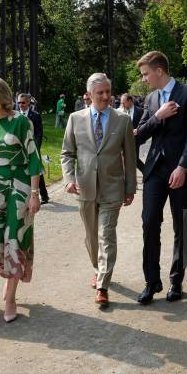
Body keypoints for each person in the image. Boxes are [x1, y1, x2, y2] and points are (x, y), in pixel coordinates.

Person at [135, 51, 187, 304]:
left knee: (181, 226)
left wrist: (183, 167)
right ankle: (151, 281)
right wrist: (158, 116)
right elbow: (139, 135)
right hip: (155, 171)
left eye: (145, 74)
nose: (144, 79)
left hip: (182, 172)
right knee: (149, 223)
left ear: (159, 71)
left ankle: (176, 281)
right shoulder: (151, 98)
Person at [61, 73, 137, 306]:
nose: (106, 97)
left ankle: (103, 285)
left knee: (106, 235)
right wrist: (68, 178)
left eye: (108, 92)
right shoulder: (75, 118)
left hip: (112, 188)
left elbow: (130, 157)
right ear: (89, 95)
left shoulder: (122, 120)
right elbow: (67, 153)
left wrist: (130, 187)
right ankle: (98, 267)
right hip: (84, 187)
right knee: (91, 237)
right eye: (100, 93)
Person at [0, 76, 43, 323]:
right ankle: (9, 273)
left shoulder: (21, 123)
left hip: (20, 187)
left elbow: (34, 159)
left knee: (14, 239)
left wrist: (34, 194)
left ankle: (11, 296)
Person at [17, 93, 49, 204]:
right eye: (19, 102)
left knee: (37, 171)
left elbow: (39, 133)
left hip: (33, 147)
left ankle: (44, 196)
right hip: (20, 149)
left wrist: (36, 147)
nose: (21, 105)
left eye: (23, 102)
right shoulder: (15, 116)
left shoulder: (35, 115)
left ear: (29, 103)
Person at [120, 93, 145, 172]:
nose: (122, 105)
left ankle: (147, 172)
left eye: (124, 103)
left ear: (130, 101)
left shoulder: (140, 111)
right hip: (123, 140)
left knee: (135, 159)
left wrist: (138, 130)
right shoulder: (121, 111)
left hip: (135, 139)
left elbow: (145, 123)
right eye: (121, 103)